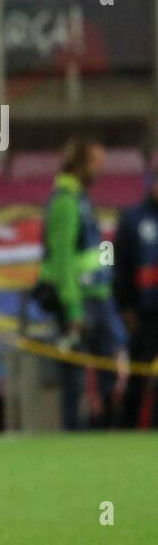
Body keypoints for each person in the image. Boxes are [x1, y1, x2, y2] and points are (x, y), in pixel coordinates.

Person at [37, 139, 129, 429]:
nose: (101, 169)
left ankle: (103, 430)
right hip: (79, 300)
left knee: (109, 371)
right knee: (74, 379)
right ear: (79, 164)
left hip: (98, 296)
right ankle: (74, 436)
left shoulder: (81, 199)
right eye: (95, 163)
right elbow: (62, 258)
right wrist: (73, 310)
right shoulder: (65, 201)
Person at [115, 173, 158, 428]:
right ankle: (127, 430)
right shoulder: (132, 220)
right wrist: (126, 307)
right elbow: (119, 266)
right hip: (146, 314)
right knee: (139, 376)